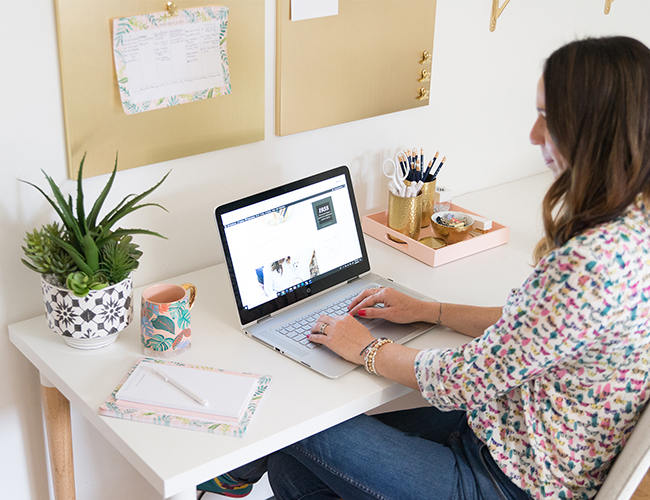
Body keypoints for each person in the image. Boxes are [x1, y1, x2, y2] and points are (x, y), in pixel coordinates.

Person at [198, 36, 650, 500]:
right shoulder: (633, 227)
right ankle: (243, 475)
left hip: (512, 481)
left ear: (596, 130)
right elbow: (527, 326)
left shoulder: (591, 265)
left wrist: (367, 349)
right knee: (292, 476)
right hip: (508, 429)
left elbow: (463, 380)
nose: (534, 135)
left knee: (292, 427)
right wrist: (428, 309)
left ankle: (233, 475)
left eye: (549, 119)